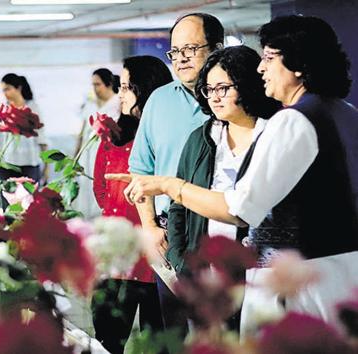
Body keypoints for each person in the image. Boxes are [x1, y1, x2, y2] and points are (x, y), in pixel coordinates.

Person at [110, 15, 358, 337]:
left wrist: (169, 184)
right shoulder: (345, 112)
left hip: (298, 283)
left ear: (297, 64)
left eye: (269, 58)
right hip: (343, 273)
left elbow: (240, 209)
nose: (261, 68)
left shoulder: (293, 121)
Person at [126, 13, 224, 334]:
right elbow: (140, 167)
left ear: (217, 48)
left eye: (190, 50)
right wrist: (150, 226)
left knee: (222, 328)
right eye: (175, 52)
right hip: (171, 232)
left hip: (223, 227)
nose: (181, 60)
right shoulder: (159, 100)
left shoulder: (237, 99)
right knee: (174, 329)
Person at [166, 46, 281, 277]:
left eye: (223, 88)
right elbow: (178, 206)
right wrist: (179, 259)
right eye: (209, 89)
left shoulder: (274, 136)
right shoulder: (200, 139)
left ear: (247, 86)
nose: (215, 98)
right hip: (202, 276)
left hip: (260, 275)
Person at [92, 56, 172, 354]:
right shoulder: (113, 134)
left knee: (158, 341)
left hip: (157, 255)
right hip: (117, 255)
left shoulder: (168, 136)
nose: (120, 94)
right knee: (107, 339)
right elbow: (100, 184)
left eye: (127, 87)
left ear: (147, 89)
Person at [0, 74, 48, 204]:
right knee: (7, 204)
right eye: (3, 90)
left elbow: (42, 139)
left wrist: (47, 166)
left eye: (8, 89)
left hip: (29, 164)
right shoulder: (3, 109)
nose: (5, 93)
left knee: (29, 203)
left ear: (18, 88)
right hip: (5, 164)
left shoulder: (33, 108)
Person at [74, 68, 121, 219]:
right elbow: (82, 133)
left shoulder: (118, 103)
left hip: (105, 155)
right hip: (86, 154)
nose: (94, 88)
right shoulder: (91, 105)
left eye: (98, 84)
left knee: (101, 189)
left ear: (108, 84)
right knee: (85, 191)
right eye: (93, 84)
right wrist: (75, 157)